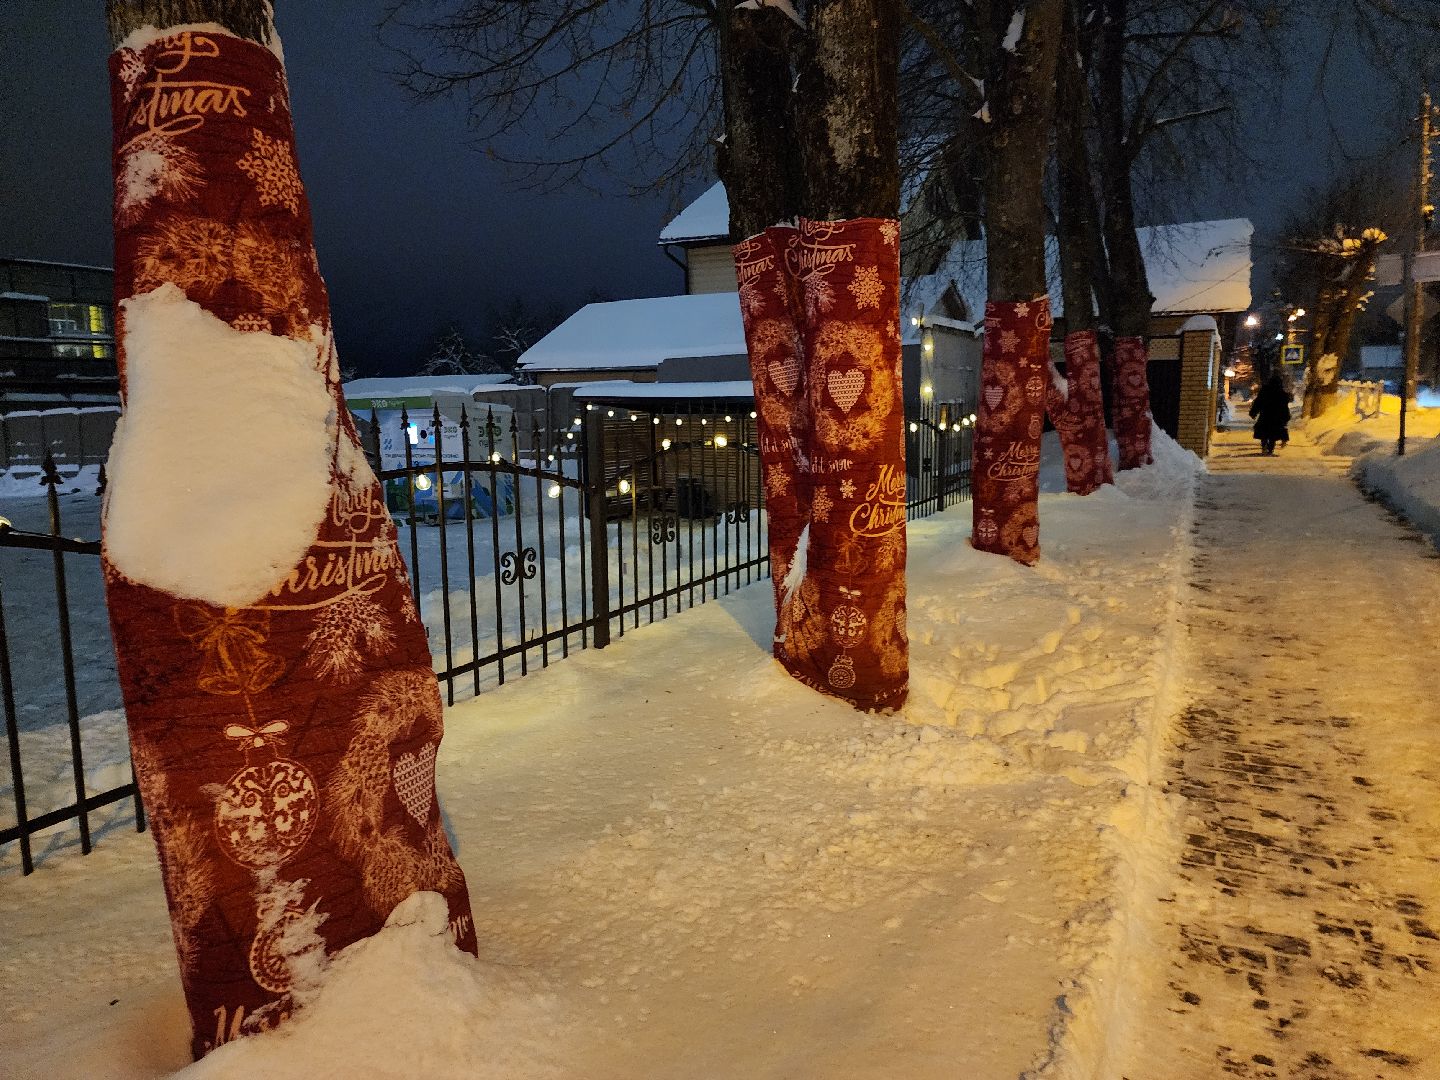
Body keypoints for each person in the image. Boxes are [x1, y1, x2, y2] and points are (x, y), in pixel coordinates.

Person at [1249, 374, 1292, 455]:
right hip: (1276, 418)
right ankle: (1270, 449)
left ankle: (1264, 446)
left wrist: (1253, 412)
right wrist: (1286, 417)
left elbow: (1258, 403)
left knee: (1264, 432)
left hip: (1265, 416)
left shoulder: (1264, 392)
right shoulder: (1282, 393)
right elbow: (1284, 407)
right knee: (1273, 434)